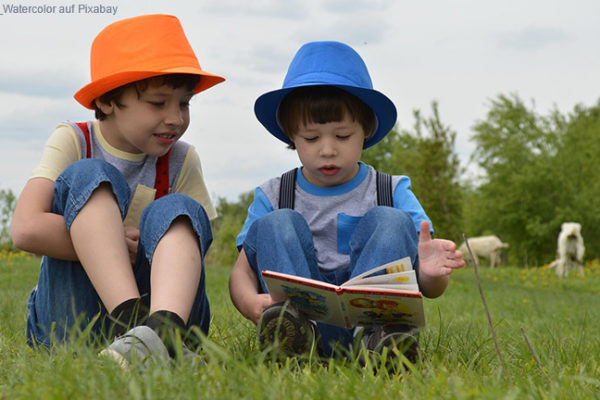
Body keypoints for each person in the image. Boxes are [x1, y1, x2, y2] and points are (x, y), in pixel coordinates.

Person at [229, 41, 465, 362]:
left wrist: (431, 275)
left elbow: (428, 286)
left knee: (391, 220)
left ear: (366, 130)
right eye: (311, 138)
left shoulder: (391, 190)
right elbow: (241, 271)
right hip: (301, 317)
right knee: (277, 223)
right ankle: (294, 340)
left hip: (372, 319)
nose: (327, 150)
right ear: (291, 135)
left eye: (342, 136)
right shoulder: (273, 194)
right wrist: (247, 302)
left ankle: (379, 343)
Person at [10, 14, 225, 366]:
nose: (176, 118)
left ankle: (163, 332)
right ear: (108, 101)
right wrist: (107, 242)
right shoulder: (74, 140)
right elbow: (25, 228)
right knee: (89, 174)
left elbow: (194, 244)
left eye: (184, 103)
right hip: (74, 321)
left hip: (165, 308)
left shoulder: (182, 159)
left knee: (179, 209)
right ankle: (135, 326)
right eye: (159, 103)